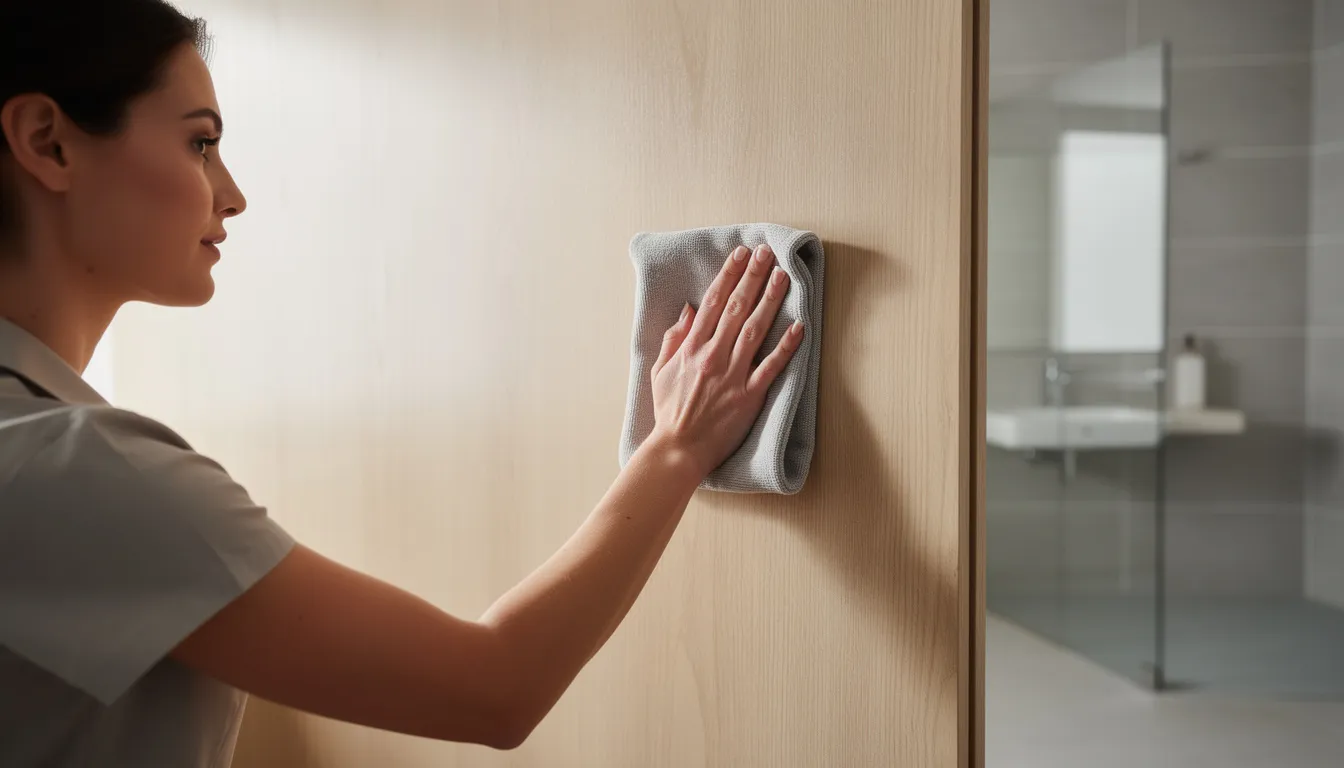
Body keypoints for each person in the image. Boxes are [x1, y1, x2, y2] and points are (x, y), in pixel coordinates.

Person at [0, 1, 805, 766]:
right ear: (49, 142)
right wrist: (673, 448)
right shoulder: (71, 467)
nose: (232, 195)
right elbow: (493, 688)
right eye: (200, 144)